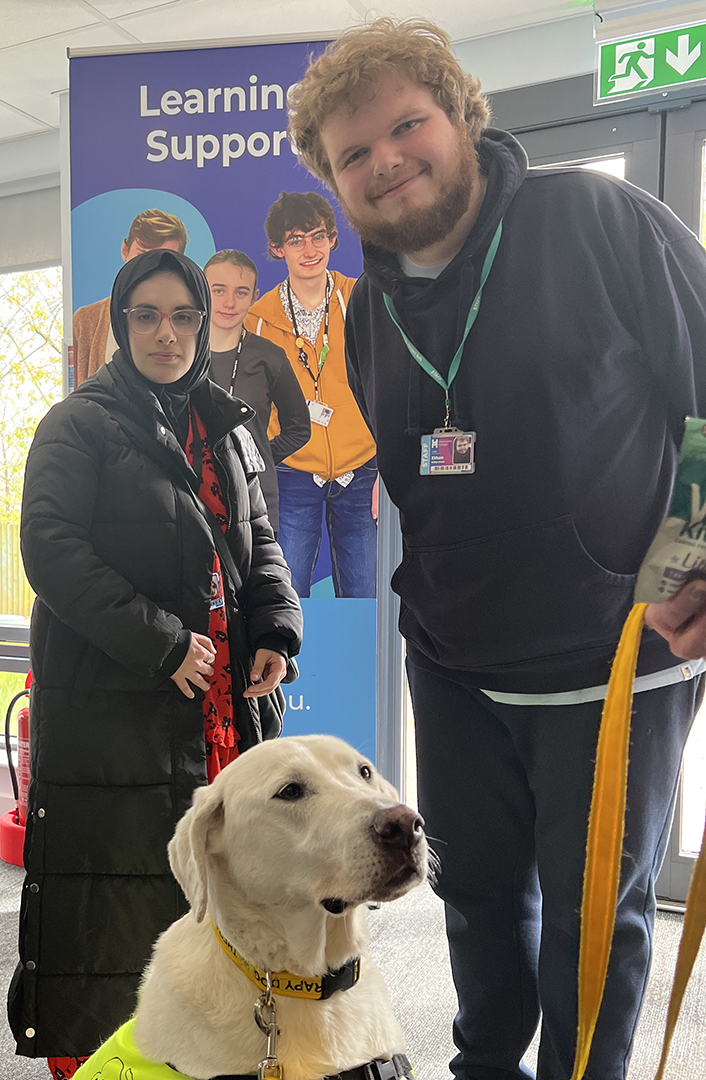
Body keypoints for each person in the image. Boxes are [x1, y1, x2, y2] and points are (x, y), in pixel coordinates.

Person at [289, 16, 706, 1080]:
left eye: (406, 125)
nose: (386, 162)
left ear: (461, 115)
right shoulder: (368, 310)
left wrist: (694, 557)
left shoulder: (596, 218)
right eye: (353, 154)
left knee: (586, 922)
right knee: (471, 896)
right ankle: (486, 1068)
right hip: (454, 663)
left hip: (608, 661)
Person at [9, 249, 303, 1080]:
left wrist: (276, 630)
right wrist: (163, 644)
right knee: (126, 902)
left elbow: (263, 547)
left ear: (204, 324)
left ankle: (221, 1052)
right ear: (121, 323)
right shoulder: (79, 424)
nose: (166, 333)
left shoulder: (232, 426)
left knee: (225, 893)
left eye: (183, 316)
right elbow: (51, 552)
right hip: (120, 708)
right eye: (147, 316)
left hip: (221, 711)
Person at [245, 191, 378, 597]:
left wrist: (387, 467)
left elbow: (388, 385)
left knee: (366, 597)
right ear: (277, 247)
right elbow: (251, 406)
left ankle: (359, 664)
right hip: (293, 473)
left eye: (318, 236)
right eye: (296, 239)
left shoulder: (361, 299)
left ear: (333, 239)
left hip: (362, 469)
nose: (310, 249)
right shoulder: (259, 319)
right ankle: (291, 665)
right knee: (285, 594)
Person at [204, 249, 309, 531]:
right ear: (200, 291)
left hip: (255, 504)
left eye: (241, 292)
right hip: (194, 502)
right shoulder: (179, 355)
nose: (229, 302)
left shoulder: (269, 357)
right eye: (218, 290)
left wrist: (257, 457)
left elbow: (299, 428)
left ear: (254, 296)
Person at [71, 208, 189, 386]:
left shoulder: (194, 322)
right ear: (124, 250)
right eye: (142, 255)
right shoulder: (86, 321)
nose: (150, 268)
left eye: (164, 259)